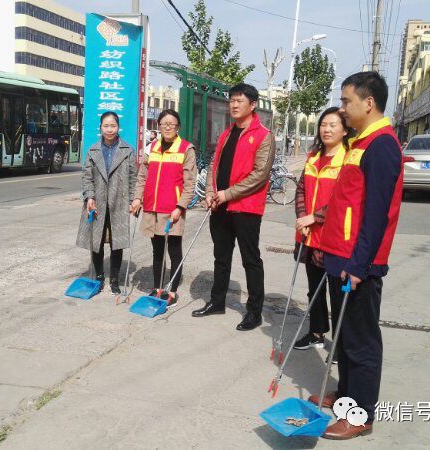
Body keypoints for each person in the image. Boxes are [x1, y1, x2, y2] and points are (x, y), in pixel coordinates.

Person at [308, 72, 403, 440]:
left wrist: (360, 264)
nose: (342, 109)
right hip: (340, 254)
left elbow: (377, 214)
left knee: (361, 340)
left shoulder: (381, 145)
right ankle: (346, 397)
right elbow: (347, 202)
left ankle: (361, 415)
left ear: (368, 103)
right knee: (344, 334)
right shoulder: (360, 142)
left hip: (357, 262)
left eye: (347, 102)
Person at [191, 83, 276, 331]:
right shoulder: (227, 134)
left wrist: (226, 194)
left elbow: (259, 175)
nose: (235, 105)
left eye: (240, 100)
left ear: (252, 105)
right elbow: (214, 167)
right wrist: (209, 193)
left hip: (246, 208)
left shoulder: (263, 136)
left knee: (251, 260)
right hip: (219, 207)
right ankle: (217, 302)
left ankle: (254, 312)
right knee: (221, 258)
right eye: (232, 100)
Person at [292, 107, 351, 359]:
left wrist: (314, 217)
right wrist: (303, 218)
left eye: (333, 125)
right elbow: (301, 190)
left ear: (345, 130)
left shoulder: (349, 159)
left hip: (334, 237)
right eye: (323, 124)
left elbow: (344, 198)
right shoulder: (313, 156)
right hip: (309, 236)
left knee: (338, 293)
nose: (326, 129)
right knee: (313, 287)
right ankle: (316, 331)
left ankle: (340, 342)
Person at [131, 109, 197, 307]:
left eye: (172, 124)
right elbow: (142, 177)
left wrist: (180, 206)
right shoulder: (151, 148)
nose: (168, 127)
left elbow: (190, 183)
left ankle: (172, 290)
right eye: (164, 124)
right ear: (158, 126)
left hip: (172, 210)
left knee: (174, 250)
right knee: (157, 250)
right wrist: (137, 199)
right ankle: (158, 287)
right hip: (152, 207)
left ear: (178, 127)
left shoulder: (186, 149)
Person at [76, 111, 137, 294]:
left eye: (113, 126)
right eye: (106, 126)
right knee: (97, 241)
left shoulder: (128, 151)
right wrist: (90, 196)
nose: (109, 129)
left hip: (119, 201)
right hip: (98, 203)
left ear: (118, 127)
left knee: (117, 242)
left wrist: (134, 199)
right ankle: (100, 277)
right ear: (100, 128)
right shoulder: (93, 150)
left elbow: (133, 178)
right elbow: (87, 177)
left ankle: (115, 280)